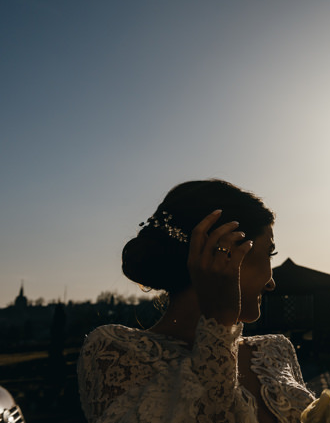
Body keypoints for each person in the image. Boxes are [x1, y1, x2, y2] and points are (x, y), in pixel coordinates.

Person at [77, 179, 315, 423]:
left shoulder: (276, 351)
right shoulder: (115, 352)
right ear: (223, 250)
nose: (271, 283)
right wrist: (218, 324)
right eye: (269, 253)